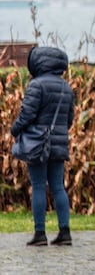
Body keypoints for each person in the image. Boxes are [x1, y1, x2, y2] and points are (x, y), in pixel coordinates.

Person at [10, 46, 74, 247]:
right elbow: (69, 119)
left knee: (38, 186)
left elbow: (27, 115)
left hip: (37, 144)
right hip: (58, 144)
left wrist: (15, 129)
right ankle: (65, 232)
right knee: (57, 186)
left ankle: (40, 233)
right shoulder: (66, 87)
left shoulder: (37, 85)